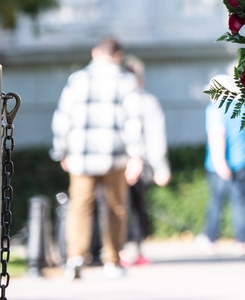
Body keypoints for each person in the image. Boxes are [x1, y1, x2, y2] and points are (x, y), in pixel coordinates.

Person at [50, 36, 144, 280]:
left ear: (95, 53)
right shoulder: (126, 80)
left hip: (81, 154)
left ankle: (75, 258)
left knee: (80, 207)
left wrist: (61, 149)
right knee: (115, 207)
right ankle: (112, 260)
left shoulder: (77, 79)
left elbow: (63, 116)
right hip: (115, 154)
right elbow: (133, 120)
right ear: (118, 56)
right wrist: (136, 155)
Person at [197, 73, 245, 256]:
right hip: (242, 162)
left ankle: (210, 238)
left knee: (216, 202)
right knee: (239, 202)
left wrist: (220, 162)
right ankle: (241, 241)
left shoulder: (214, 110)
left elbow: (217, 136)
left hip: (219, 165)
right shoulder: (243, 107)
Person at [120, 55, 170, 266]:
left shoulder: (111, 98)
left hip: (111, 162)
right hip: (137, 163)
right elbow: (154, 136)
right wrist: (160, 166)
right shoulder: (146, 101)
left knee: (115, 207)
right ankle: (134, 250)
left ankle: (117, 251)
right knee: (137, 207)